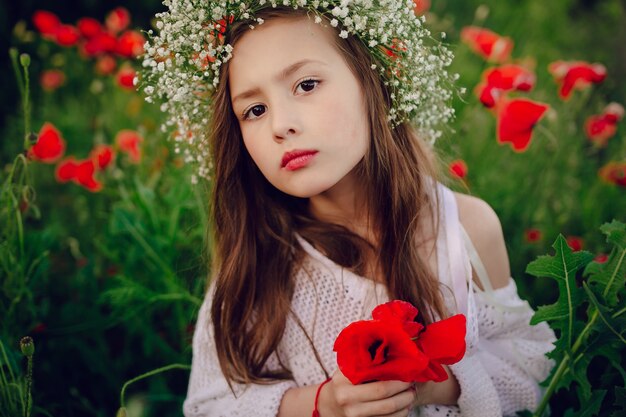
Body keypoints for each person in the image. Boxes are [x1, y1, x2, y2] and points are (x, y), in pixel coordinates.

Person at [141, 2, 556, 416]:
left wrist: (432, 384)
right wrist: (325, 404)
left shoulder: (465, 230)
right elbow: (209, 406)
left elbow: (530, 373)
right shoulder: (258, 258)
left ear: (372, 78)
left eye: (306, 85)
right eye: (254, 110)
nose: (279, 125)